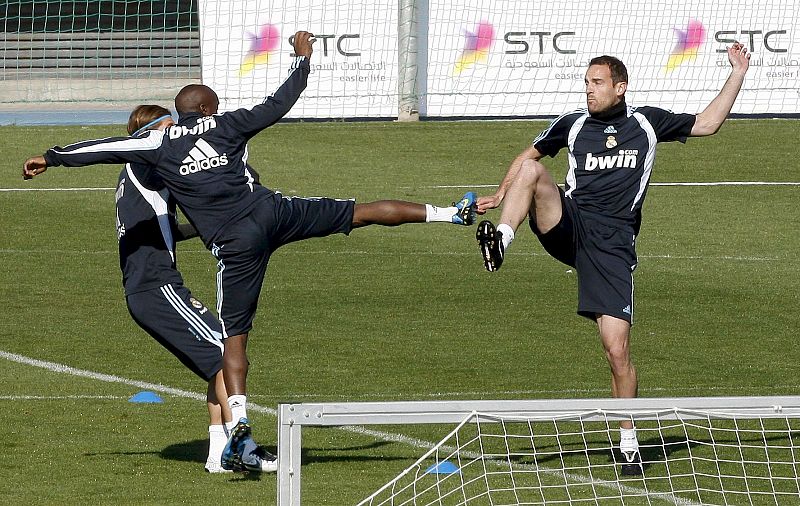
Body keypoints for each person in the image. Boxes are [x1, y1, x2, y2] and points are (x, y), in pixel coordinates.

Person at [23, 31, 477, 472]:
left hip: (236, 244)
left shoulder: (155, 146)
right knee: (359, 212)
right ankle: (449, 214)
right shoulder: (222, 125)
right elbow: (278, 104)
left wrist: (51, 156)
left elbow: (103, 149)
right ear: (205, 108)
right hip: (271, 213)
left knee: (232, 339)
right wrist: (301, 59)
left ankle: (237, 426)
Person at [474, 44, 750, 474]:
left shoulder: (647, 122)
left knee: (617, 350)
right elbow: (527, 158)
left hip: (613, 244)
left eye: (597, 83)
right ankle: (501, 242)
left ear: (620, 88)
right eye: (586, 82)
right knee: (533, 173)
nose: (589, 90)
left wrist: (737, 72)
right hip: (568, 222)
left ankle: (628, 442)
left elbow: (709, 123)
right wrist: (500, 194)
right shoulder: (572, 124)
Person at [117, 105, 275, 473]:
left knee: (220, 354)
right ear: (156, 129)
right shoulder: (146, 157)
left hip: (152, 287)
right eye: (173, 127)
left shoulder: (140, 170)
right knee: (227, 354)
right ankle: (244, 448)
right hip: (156, 288)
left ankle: (219, 455)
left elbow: (166, 228)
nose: (182, 134)